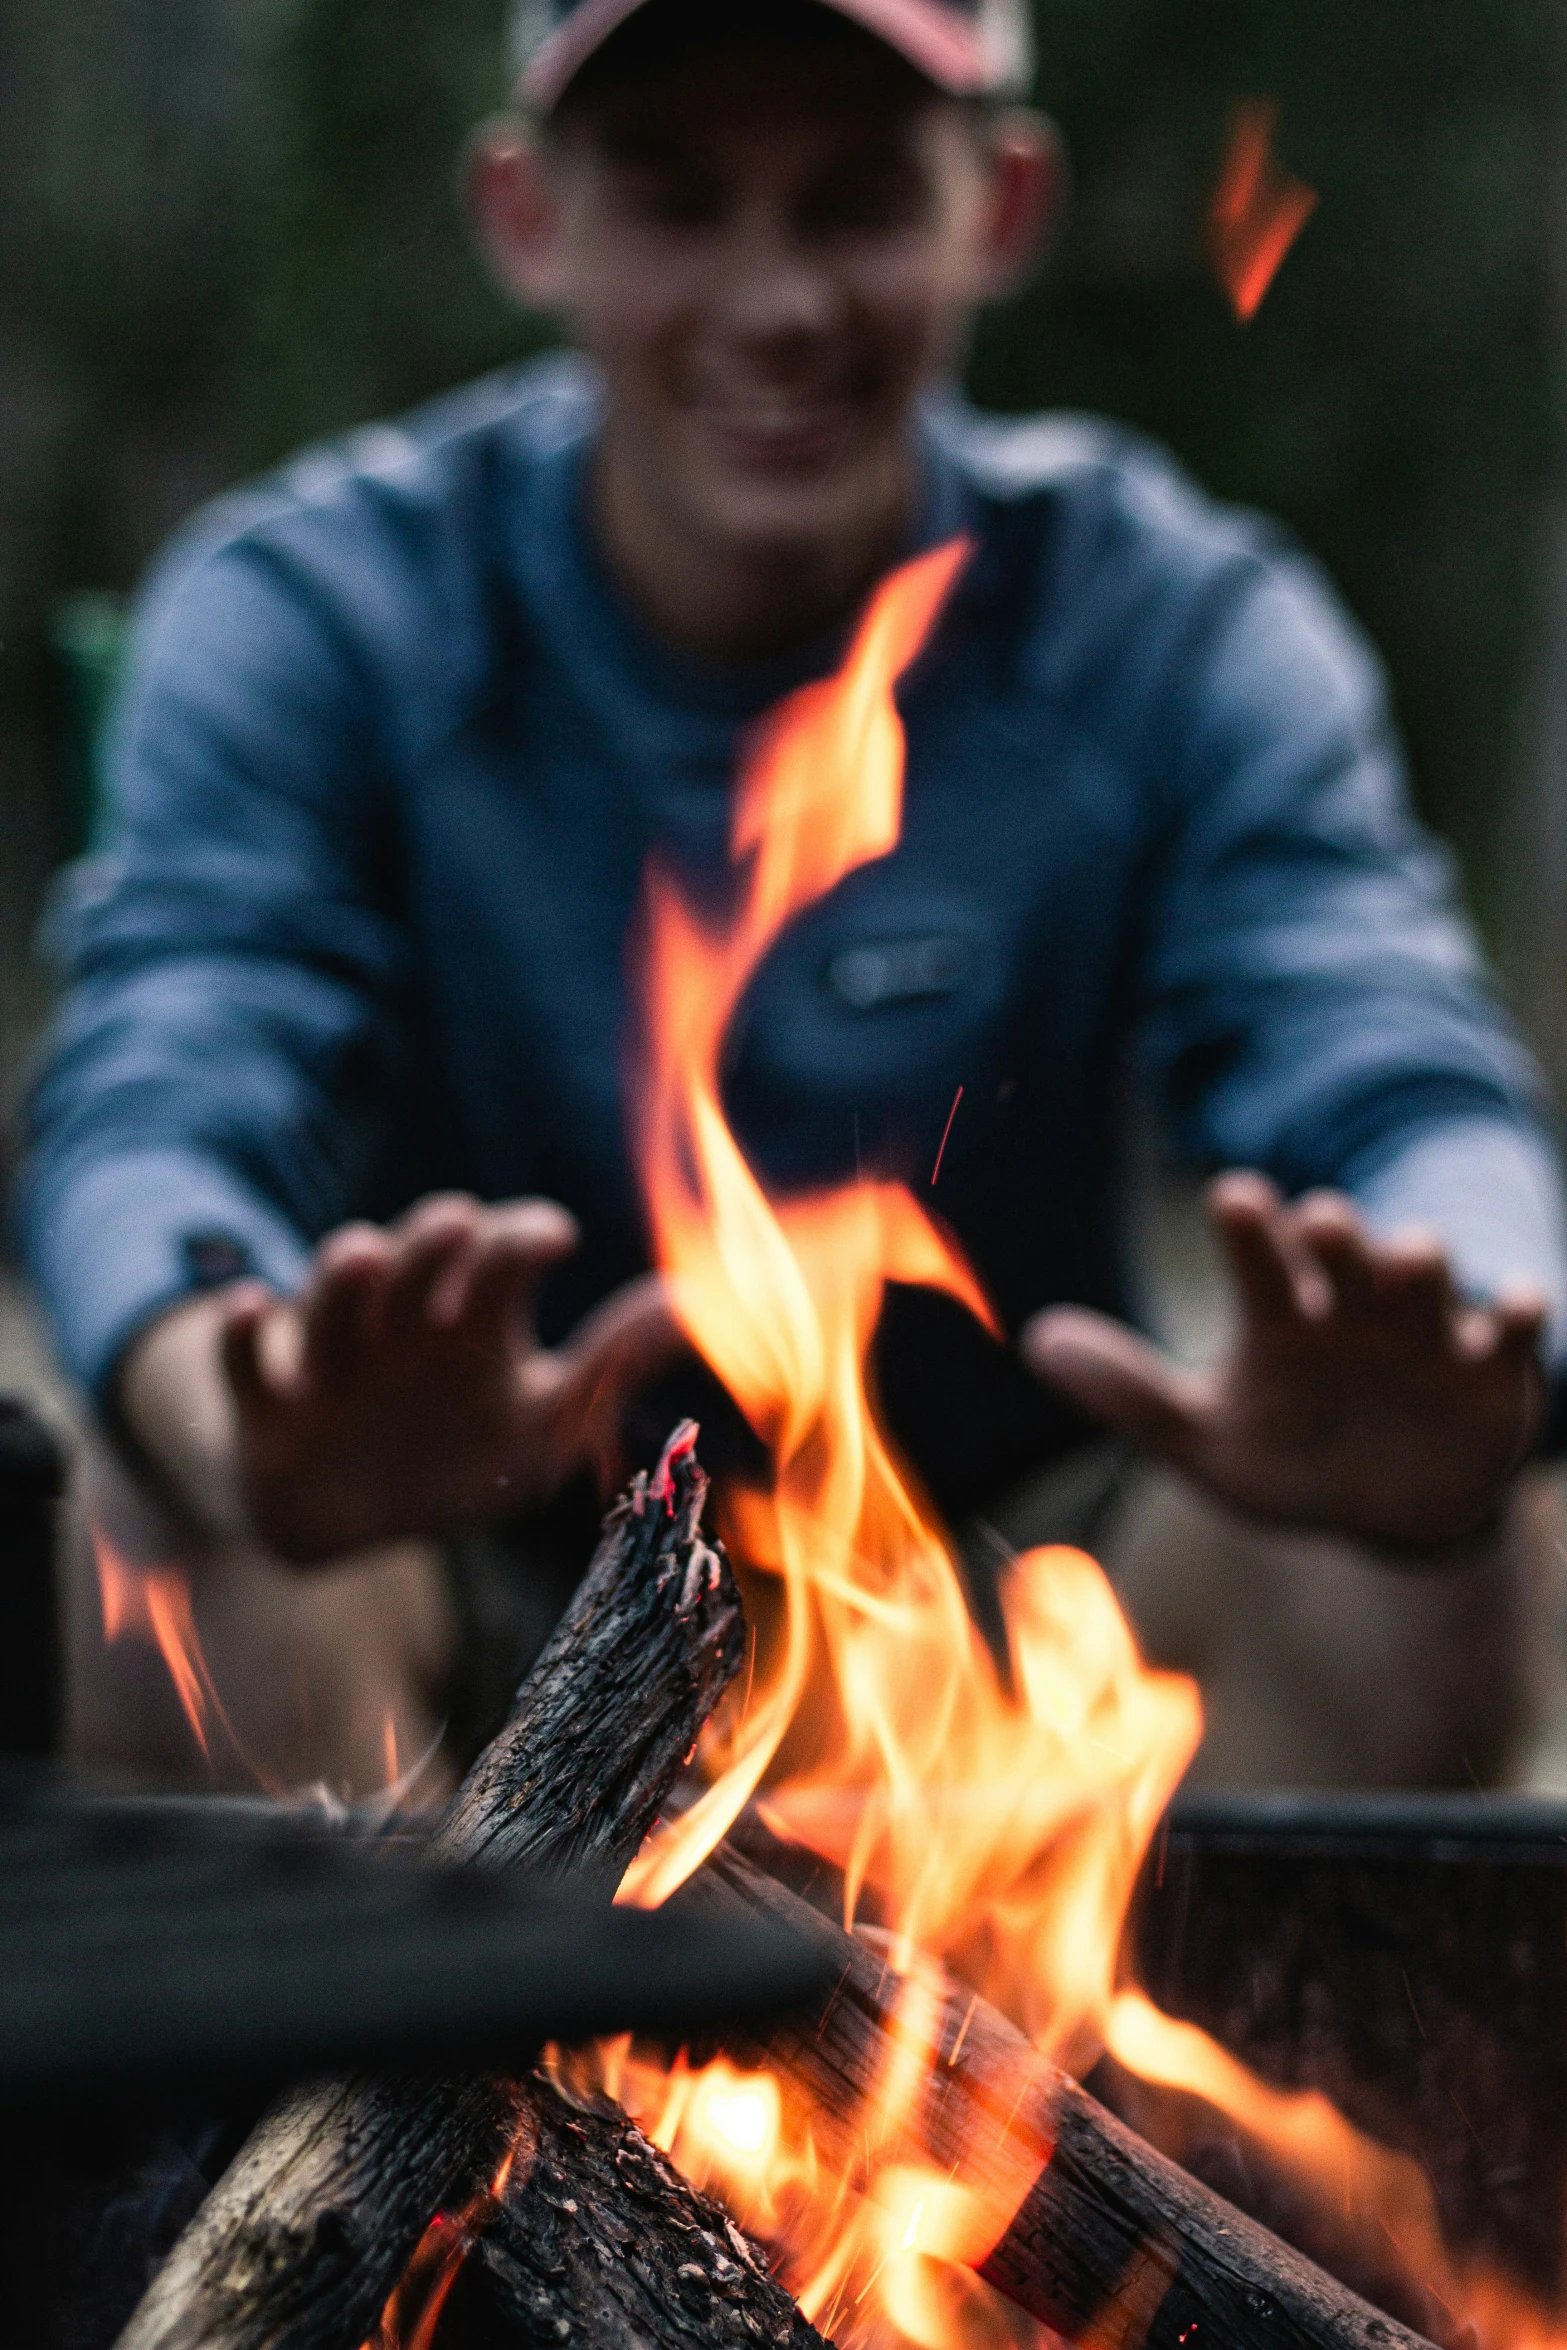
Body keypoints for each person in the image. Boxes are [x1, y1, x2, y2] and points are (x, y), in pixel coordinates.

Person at [18, 0, 1567, 1795]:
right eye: (680, 206)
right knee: (169, 1495)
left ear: (996, 203)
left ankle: (1172, 2073)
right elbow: (163, 1088)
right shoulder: (323, 612)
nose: (776, 306)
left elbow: (1387, 1056)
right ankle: (346, 2077)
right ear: (530, 216)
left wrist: (1479, 1334)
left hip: (1011, 1611)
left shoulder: (1169, 623)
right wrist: (228, 1385)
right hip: (467, 1589)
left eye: (852, 206)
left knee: (1421, 1533)